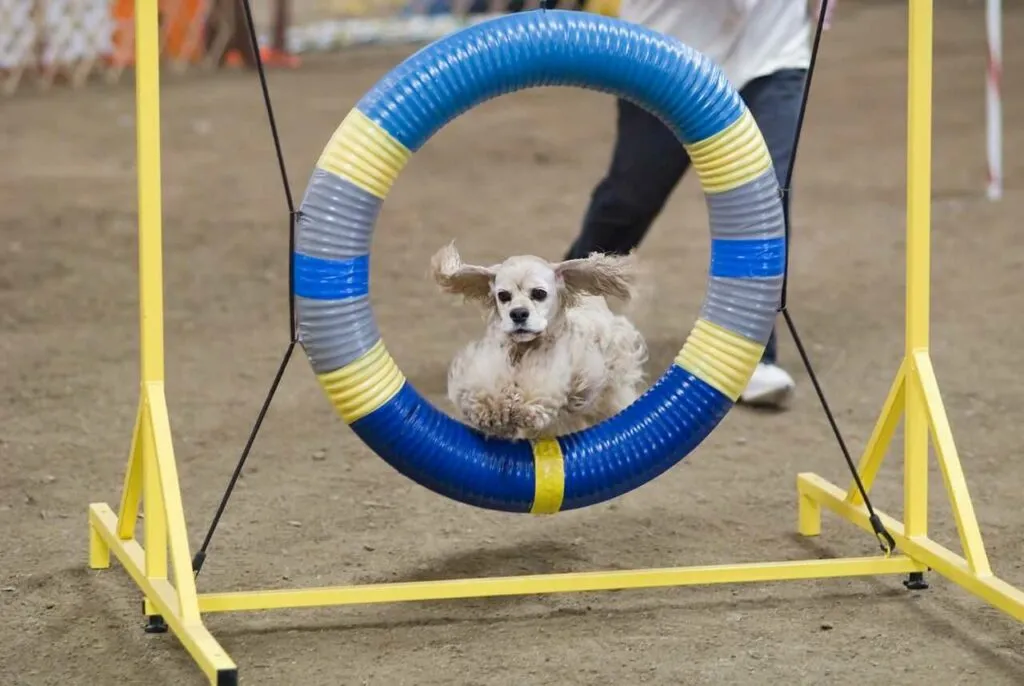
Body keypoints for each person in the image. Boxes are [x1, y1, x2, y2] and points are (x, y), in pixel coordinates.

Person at [564, 0, 834, 409]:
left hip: (771, 49)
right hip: (665, 50)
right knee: (630, 199)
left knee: (767, 196)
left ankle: (752, 353)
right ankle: (559, 313)